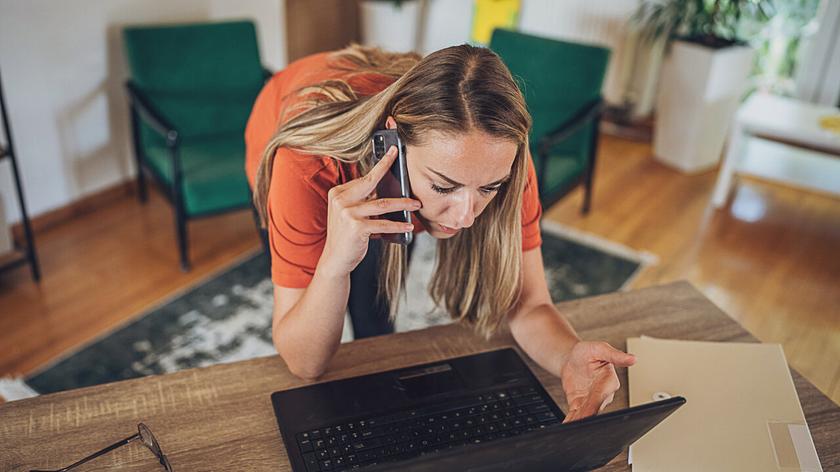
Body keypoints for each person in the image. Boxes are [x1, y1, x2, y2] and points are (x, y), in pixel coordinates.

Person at [245, 43, 635, 422]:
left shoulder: (497, 156)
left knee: (377, 315)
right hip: (286, 123)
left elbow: (530, 304)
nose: (466, 217)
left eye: (488, 189)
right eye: (444, 187)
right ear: (392, 143)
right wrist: (333, 265)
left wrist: (569, 356)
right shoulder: (305, 167)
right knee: (327, 287)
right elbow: (304, 364)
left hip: (391, 130)